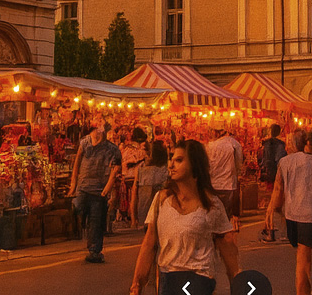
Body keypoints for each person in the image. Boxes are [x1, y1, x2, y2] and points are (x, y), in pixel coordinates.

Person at [131, 139, 240, 295]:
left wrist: (237, 282)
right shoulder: (161, 200)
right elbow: (149, 244)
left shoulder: (211, 205)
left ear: (195, 165)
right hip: (168, 279)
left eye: (179, 160)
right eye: (172, 159)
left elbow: (227, 247)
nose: (171, 165)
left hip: (199, 279)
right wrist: (137, 284)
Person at [268, 128, 312, 295]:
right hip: (308, 214)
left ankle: (303, 289)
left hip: (291, 215)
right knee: (304, 257)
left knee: (300, 254)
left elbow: (278, 189)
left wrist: (273, 211)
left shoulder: (284, 162)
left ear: (293, 144)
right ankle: (301, 291)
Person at [70, 123, 123, 263]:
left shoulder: (113, 149)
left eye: (97, 130)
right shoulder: (85, 143)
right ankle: (88, 240)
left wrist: (107, 190)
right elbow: (77, 163)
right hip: (83, 187)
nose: (95, 133)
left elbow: (115, 170)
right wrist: (73, 184)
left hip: (99, 191)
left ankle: (94, 251)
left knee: (95, 220)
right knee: (78, 208)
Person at [206, 125, 244, 224]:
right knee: (226, 212)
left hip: (213, 184)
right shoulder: (235, 144)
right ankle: (223, 233)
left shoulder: (210, 146)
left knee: (214, 211)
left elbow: (207, 164)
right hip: (228, 184)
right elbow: (239, 164)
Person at [258, 123, 287, 242]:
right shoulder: (280, 145)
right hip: (277, 176)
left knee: (273, 203)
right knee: (275, 204)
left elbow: (261, 160)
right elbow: (280, 160)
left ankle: (270, 229)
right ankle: (272, 230)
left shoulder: (265, 144)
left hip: (268, 176)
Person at [137, 140, 171, 226]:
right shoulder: (167, 171)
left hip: (146, 212)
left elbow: (135, 193)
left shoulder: (142, 171)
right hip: (162, 213)